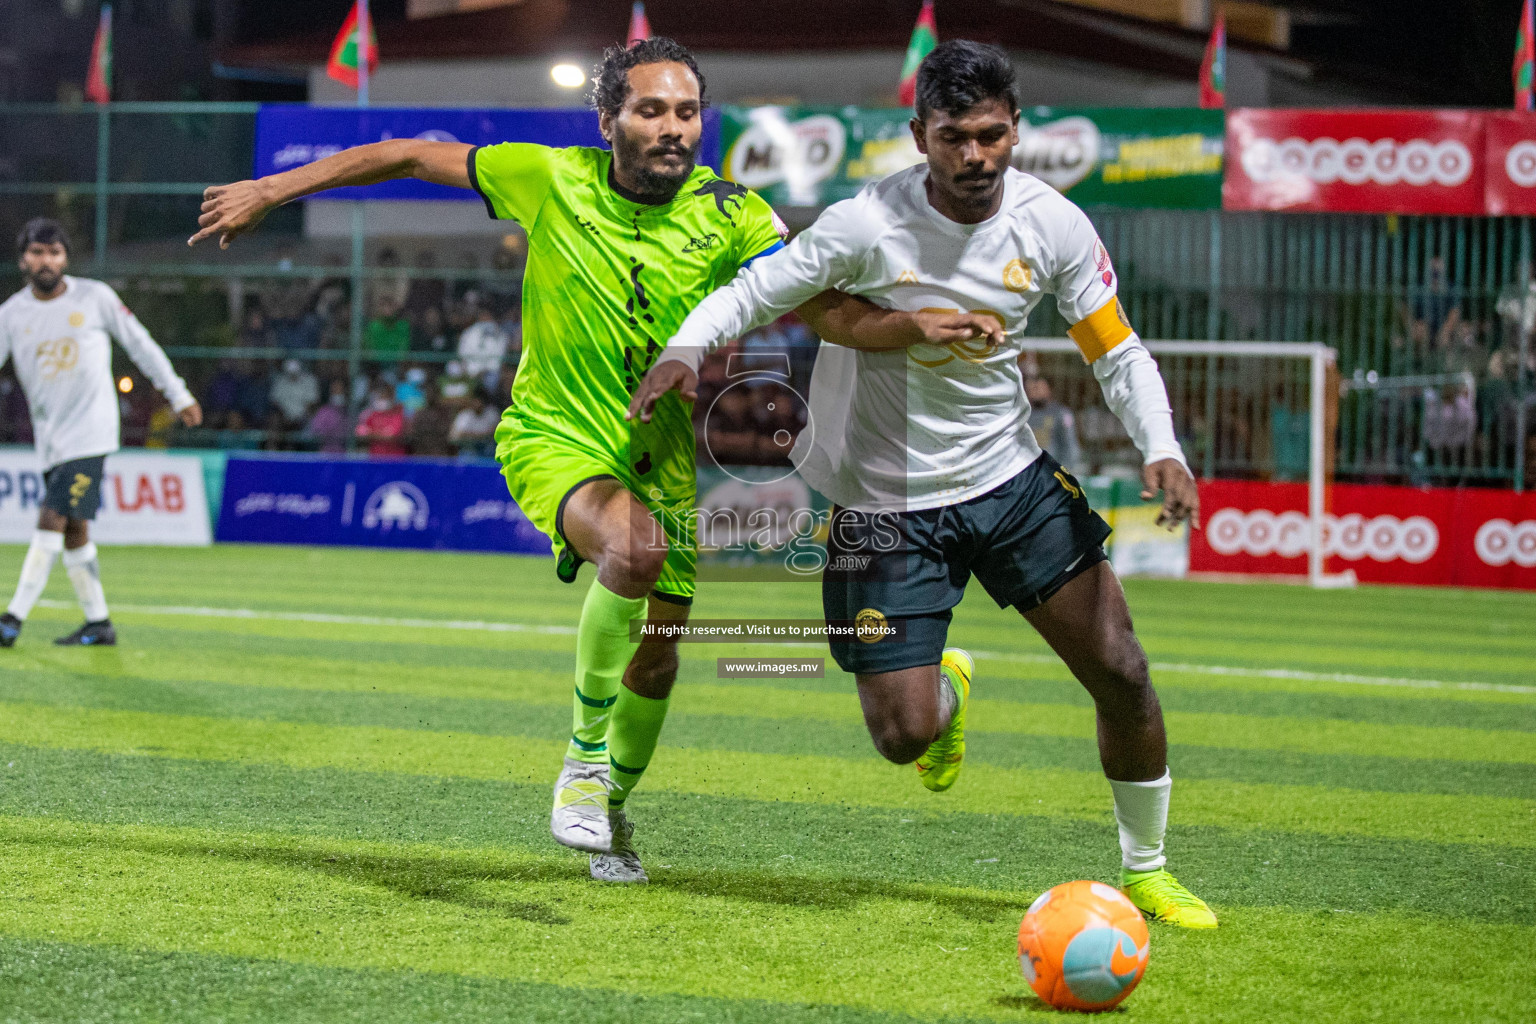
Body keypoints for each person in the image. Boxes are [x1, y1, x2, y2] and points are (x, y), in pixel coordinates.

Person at [189, 36, 979, 885]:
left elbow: (824, 308)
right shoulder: (549, 177)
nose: (674, 127)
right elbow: (410, 153)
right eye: (650, 110)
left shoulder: (733, 216)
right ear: (609, 122)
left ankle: (612, 809)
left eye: (686, 111)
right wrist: (272, 187)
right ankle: (582, 768)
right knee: (631, 550)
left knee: (660, 655)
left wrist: (915, 321)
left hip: (662, 454)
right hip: (554, 435)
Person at [632, 41, 1215, 927]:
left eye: (991, 134)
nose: (975, 156)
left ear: (1016, 128)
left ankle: (1148, 869)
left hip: (1010, 481)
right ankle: (949, 689)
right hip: (884, 504)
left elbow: (1117, 349)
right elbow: (755, 288)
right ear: (921, 136)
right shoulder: (867, 224)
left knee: (1122, 668)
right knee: (904, 735)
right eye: (954, 137)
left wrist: (1160, 447)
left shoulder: (1052, 222)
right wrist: (683, 349)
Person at [0, 218, 203, 647]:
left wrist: (178, 393)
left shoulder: (95, 297)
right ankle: (98, 623)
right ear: (24, 259)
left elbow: (140, 344)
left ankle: (12, 618)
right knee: (74, 528)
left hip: (91, 433)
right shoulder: (12, 314)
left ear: (65, 258)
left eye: (54, 252)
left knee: (51, 516)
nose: (46, 260)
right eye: (37, 252)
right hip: (50, 439)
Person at [1024, 373, 1084, 473]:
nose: (1035, 392)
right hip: (1029, 472)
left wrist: (1067, 470)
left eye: (1038, 388)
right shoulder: (1025, 415)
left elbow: (1069, 443)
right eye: (1032, 389)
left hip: (1054, 471)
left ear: (1048, 389)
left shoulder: (1061, 414)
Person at [457, 303, 509, 392]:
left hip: (491, 373)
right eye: (483, 317)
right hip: (470, 372)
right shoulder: (468, 334)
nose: (485, 320)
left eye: (488, 317)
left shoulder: (501, 335)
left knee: (492, 380)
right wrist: (469, 371)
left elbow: (499, 360)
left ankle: (490, 404)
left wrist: (483, 371)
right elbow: (462, 356)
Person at [355, 385, 407, 457]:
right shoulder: (373, 414)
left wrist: (371, 433)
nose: (382, 400)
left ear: (391, 398)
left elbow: (391, 436)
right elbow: (360, 432)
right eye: (380, 397)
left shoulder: (398, 415)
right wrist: (381, 433)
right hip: (375, 457)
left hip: (394, 459)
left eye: (385, 397)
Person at [269, 358, 320, 429]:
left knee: (314, 418)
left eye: (295, 372)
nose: (293, 375)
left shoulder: (310, 380)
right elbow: (275, 402)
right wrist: (285, 416)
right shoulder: (279, 381)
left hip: (304, 417)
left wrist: (300, 416)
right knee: (274, 419)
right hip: (284, 418)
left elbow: (312, 402)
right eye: (290, 373)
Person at [448, 387, 500, 457]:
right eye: (473, 400)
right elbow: (453, 437)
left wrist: (468, 434)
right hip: (468, 451)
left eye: (478, 400)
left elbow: (497, 434)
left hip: (488, 452)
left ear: (483, 401)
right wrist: (480, 435)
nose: (476, 403)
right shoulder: (464, 416)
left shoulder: (492, 414)